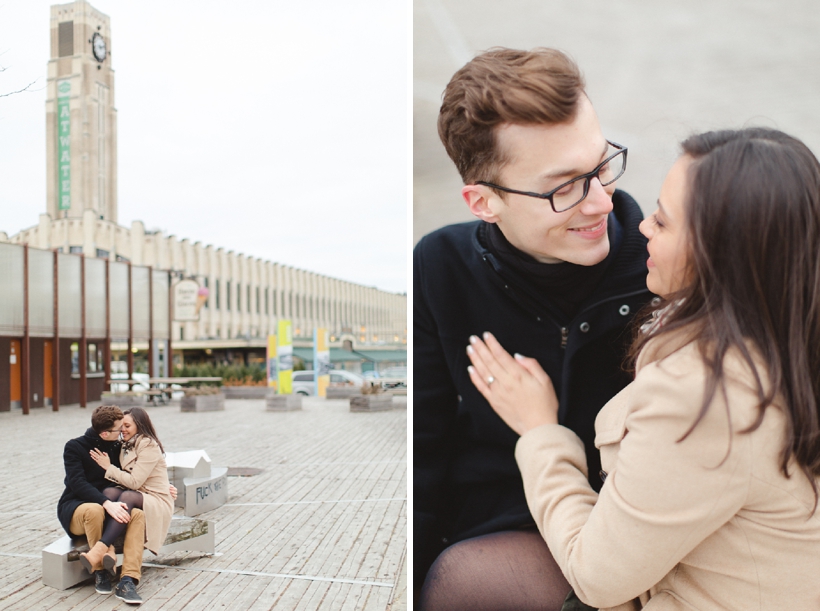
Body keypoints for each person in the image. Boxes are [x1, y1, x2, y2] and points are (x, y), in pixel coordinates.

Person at [467, 127, 820, 610]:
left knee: (463, 580)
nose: (641, 227)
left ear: (721, 255)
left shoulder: (704, 393)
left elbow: (597, 577)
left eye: (664, 221)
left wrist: (540, 430)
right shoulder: (789, 327)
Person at [414, 48, 654, 609]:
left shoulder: (661, 267)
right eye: (563, 187)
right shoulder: (440, 266)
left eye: (600, 166)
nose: (600, 202)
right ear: (483, 201)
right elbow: (423, 455)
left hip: (627, 541)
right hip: (489, 538)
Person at [57, 405, 147, 600]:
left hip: (112, 505)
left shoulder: (118, 447)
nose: (123, 431)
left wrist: (165, 487)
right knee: (95, 510)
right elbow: (77, 483)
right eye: (119, 428)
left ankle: (129, 579)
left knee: (137, 515)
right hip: (77, 507)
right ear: (105, 433)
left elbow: (135, 474)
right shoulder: (74, 447)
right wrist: (106, 503)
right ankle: (100, 571)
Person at [89, 406, 174, 603]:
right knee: (109, 493)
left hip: (156, 499)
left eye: (127, 425)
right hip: (140, 494)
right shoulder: (126, 444)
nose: (123, 430)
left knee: (126, 497)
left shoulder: (148, 445)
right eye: (121, 426)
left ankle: (102, 547)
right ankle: (106, 551)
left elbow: (135, 482)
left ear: (140, 425)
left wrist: (107, 467)